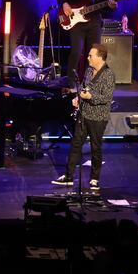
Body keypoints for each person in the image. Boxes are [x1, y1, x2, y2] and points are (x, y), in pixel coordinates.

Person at [52, 44, 115, 190]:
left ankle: (94, 179)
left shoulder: (108, 75)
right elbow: (83, 88)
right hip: (84, 114)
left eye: (90, 56)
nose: (88, 58)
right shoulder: (88, 71)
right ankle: (68, 176)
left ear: (99, 57)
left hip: (98, 117)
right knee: (75, 145)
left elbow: (106, 97)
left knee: (95, 147)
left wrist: (89, 96)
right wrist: (78, 99)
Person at [57, 0, 116, 87]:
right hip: (76, 22)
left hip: (94, 21)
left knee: (94, 54)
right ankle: (71, 83)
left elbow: (104, 1)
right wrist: (65, 4)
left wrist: (111, 6)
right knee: (76, 52)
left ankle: (90, 83)